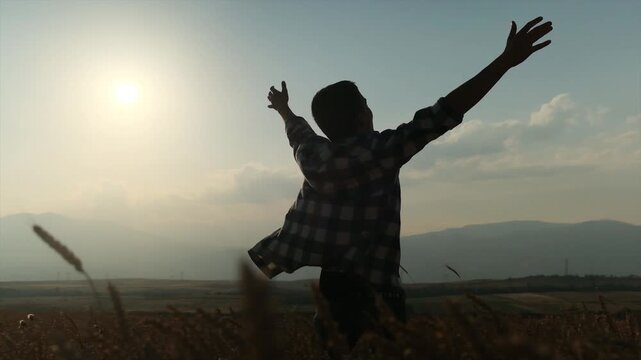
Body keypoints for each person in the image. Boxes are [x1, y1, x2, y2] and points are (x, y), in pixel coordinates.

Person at [248, 16, 553, 352]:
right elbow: (443, 113)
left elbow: (298, 132)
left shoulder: (313, 155)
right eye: (366, 103)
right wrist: (504, 62)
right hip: (377, 299)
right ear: (362, 115)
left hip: (332, 298)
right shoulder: (382, 151)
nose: (370, 108)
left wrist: (283, 108)